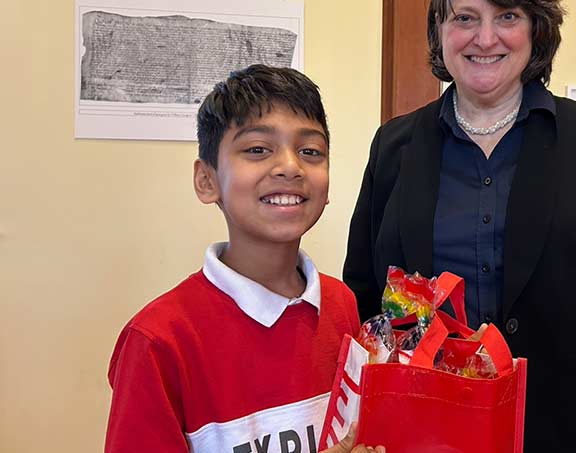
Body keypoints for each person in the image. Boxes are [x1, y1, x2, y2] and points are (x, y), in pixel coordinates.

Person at [344, 0, 576, 453]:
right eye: (465, 17)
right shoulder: (395, 146)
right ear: (440, 30)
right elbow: (365, 300)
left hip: (565, 430)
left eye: (508, 15)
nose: (486, 37)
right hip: (424, 433)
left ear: (537, 28)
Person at [105, 65, 384, 453]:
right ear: (207, 181)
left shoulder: (342, 306)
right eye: (257, 149)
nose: (290, 166)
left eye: (310, 151)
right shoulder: (158, 341)